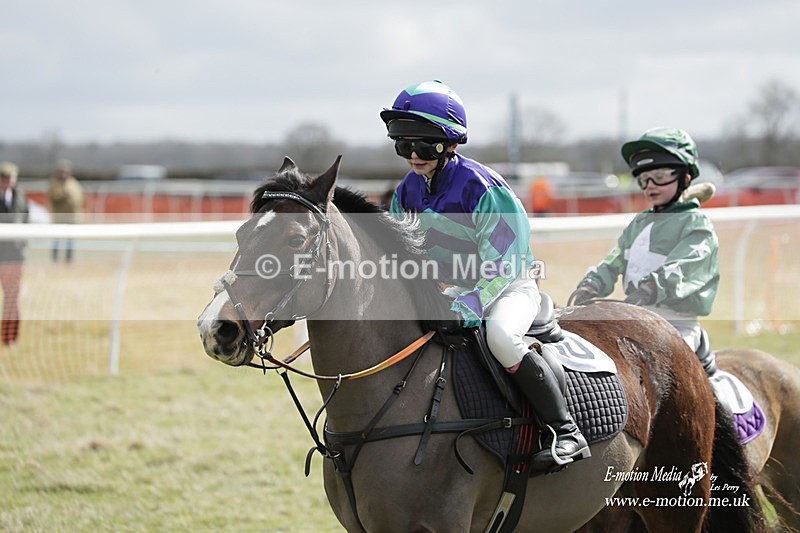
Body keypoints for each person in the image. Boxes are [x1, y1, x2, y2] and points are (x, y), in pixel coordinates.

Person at [381, 80, 589, 467]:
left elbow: (504, 263)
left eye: (423, 145)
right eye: (402, 144)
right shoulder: (407, 189)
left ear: (450, 142)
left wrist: (470, 301)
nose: (412, 154)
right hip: (448, 291)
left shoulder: (483, 188)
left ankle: (566, 431)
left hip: (508, 287)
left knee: (502, 337)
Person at [572, 127, 720, 376]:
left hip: (677, 326)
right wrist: (592, 284)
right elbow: (613, 259)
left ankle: (721, 415)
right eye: (644, 179)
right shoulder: (639, 222)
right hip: (635, 319)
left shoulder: (696, 223)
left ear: (684, 178)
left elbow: (686, 265)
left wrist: (650, 288)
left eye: (660, 176)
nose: (650, 185)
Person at [0, 162, 29, 347]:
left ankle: (10, 337)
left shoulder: (20, 198)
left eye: (10, 178)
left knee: (11, 296)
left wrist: (21, 245)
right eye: (4, 178)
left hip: (13, 257)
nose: (7, 182)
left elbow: (27, 222)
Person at [46, 158, 84, 262]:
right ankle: (54, 260)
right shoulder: (54, 183)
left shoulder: (74, 183)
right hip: (58, 217)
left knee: (70, 241)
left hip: (72, 218)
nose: (63, 174)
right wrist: (63, 195)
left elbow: (80, 198)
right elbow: (52, 197)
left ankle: (69, 260)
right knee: (56, 240)